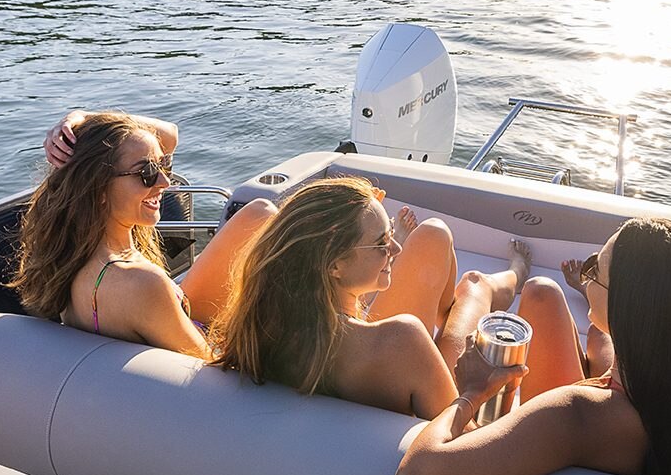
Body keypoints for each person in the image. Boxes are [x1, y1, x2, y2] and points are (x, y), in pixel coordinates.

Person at [391, 217, 671, 475]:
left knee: (473, 294)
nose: (588, 277)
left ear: (628, 309)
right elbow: (607, 357)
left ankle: (500, 281)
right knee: (544, 295)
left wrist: (469, 393)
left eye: (595, 272)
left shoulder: (577, 415)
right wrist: (600, 315)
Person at [213, 176, 531, 419]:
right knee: (474, 287)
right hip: (439, 393)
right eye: (382, 243)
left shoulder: (257, 325)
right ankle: (516, 273)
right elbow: (461, 446)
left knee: (434, 237)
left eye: (391, 237)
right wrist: (474, 390)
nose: (395, 250)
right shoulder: (401, 341)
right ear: (334, 264)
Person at [8, 110, 276, 354]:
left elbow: (169, 135)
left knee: (260, 214)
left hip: (166, 319)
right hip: (196, 351)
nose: (166, 181)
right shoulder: (143, 284)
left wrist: (83, 118)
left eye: (163, 165)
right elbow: (209, 367)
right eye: (146, 172)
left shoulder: (73, 253)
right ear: (98, 189)